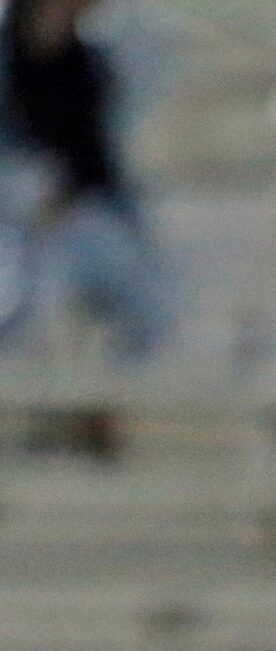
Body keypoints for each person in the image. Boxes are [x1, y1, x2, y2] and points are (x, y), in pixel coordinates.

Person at [0, 0, 173, 456]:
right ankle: (52, 417)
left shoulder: (99, 52)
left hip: (93, 213)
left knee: (156, 312)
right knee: (30, 309)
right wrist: (29, 195)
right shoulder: (8, 55)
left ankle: (97, 412)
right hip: (23, 223)